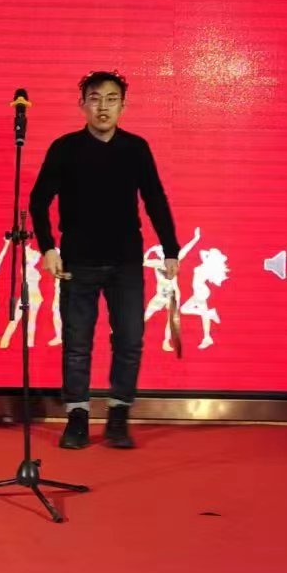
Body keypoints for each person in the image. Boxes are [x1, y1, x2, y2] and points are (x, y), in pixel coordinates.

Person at [29, 70, 179, 450]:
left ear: (123, 105)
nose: (103, 107)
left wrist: (171, 249)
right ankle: (77, 416)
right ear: (82, 104)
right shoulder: (65, 148)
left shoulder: (136, 148)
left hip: (125, 262)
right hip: (77, 262)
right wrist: (48, 248)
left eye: (112, 99)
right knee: (77, 344)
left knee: (129, 340)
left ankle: (118, 415)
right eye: (94, 99)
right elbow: (38, 201)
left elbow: (155, 199)